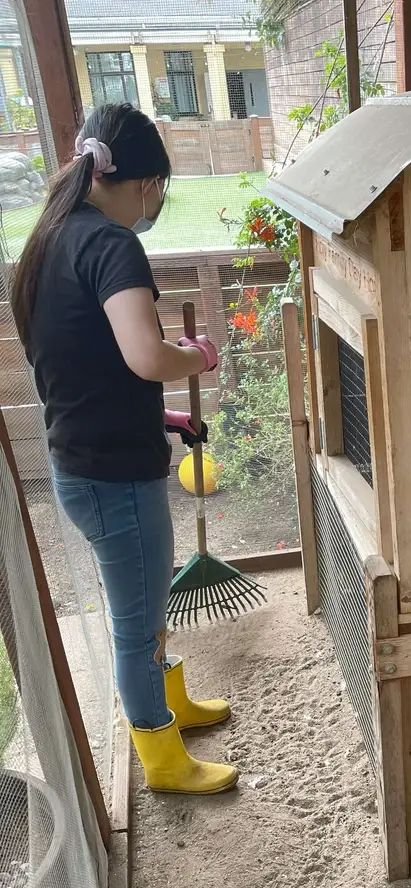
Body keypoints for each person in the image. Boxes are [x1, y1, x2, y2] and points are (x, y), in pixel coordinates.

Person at [11, 104, 237, 795]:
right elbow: (144, 356)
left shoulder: (53, 237)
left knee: (145, 600)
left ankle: (170, 706)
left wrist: (166, 416)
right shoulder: (113, 245)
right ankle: (162, 756)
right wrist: (197, 356)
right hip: (113, 477)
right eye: (161, 189)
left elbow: (89, 366)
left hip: (84, 459)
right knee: (136, 622)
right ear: (147, 184)